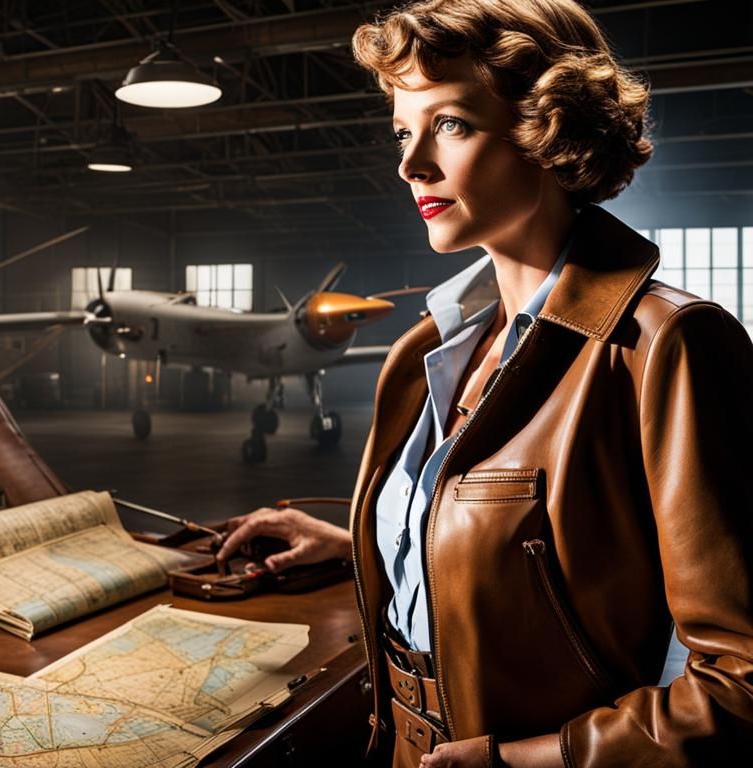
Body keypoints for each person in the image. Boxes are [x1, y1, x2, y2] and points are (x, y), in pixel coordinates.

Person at [216, 1, 753, 765]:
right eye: (405, 131)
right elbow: (526, 569)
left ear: (549, 129)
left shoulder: (666, 346)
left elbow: (741, 686)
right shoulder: (426, 350)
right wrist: (356, 547)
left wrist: (524, 761)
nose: (410, 164)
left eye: (451, 125)